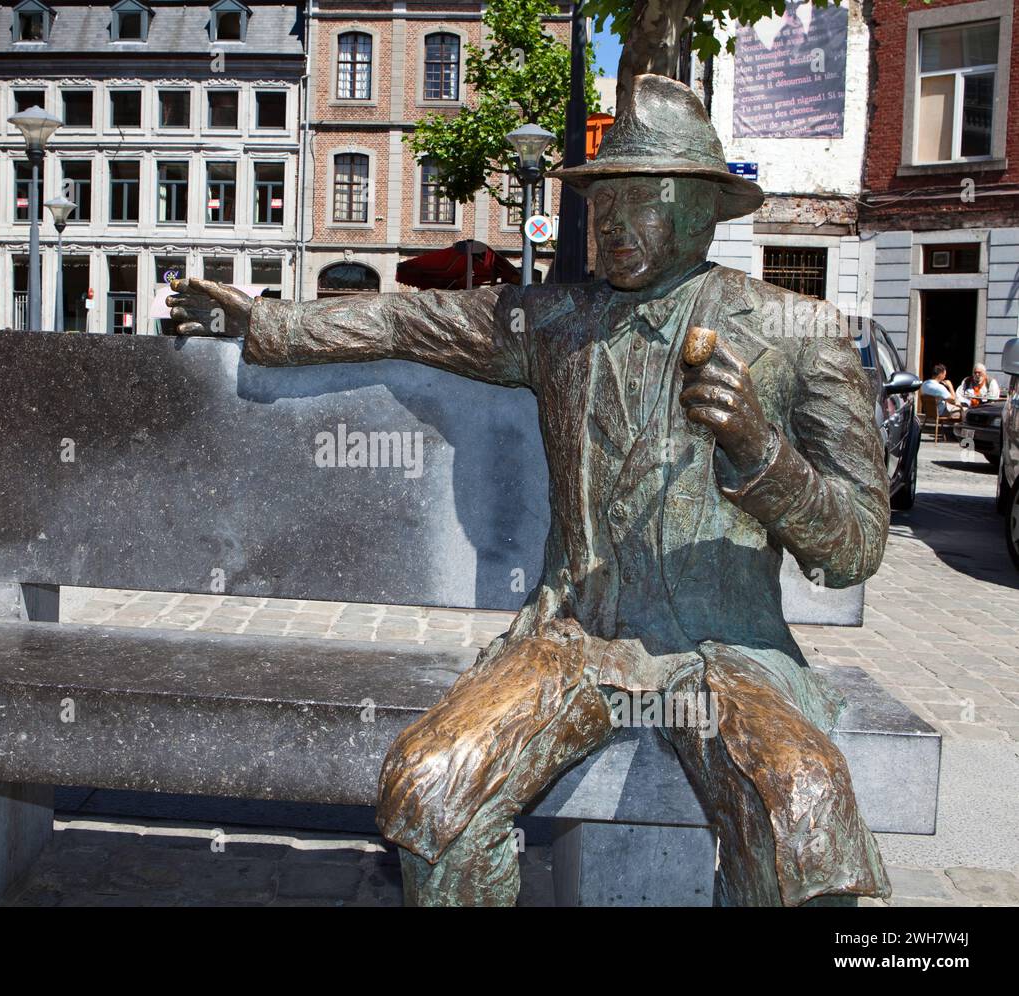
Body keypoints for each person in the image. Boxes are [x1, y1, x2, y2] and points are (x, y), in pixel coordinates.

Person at [167, 75, 889, 907]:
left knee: (802, 808)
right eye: (601, 204)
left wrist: (764, 453)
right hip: (574, 639)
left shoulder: (802, 336)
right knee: (430, 784)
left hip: (726, 656)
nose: (612, 225)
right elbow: (407, 322)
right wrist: (264, 322)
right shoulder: (552, 321)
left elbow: (857, 547)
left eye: (639, 202)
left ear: (700, 210)